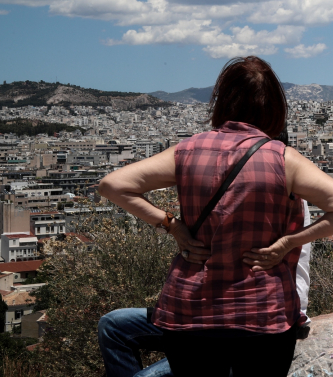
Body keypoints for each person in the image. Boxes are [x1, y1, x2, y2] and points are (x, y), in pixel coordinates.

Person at [98, 56, 333, 377]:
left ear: (222, 101)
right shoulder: (283, 158)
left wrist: (172, 225)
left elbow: (113, 185)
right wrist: (288, 242)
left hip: (190, 311)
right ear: (274, 107)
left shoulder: (187, 151)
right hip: (261, 312)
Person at [98, 131, 314, 377]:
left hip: (249, 318)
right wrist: (172, 224)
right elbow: (112, 185)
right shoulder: (211, 179)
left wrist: (287, 247)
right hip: (198, 308)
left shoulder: (287, 193)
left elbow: (301, 263)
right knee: (113, 324)